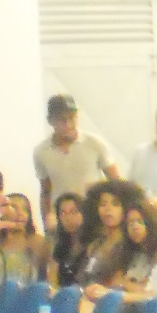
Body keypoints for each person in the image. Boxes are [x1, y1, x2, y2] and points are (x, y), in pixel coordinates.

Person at [33, 94, 117, 229]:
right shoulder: (41, 152)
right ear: (50, 121)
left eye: (72, 118)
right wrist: (47, 223)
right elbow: (46, 191)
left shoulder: (94, 143)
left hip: (93, 216)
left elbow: (115, 181)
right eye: (62, 120)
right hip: (63, 220)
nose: (68, 124)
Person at [0, 191, 49, 296]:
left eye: (25, 209)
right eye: (14, 208)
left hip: (27, 299)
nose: (21, 214)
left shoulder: (38, 242)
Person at [113, 197, 157, 293]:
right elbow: (115, 280)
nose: (135, 227)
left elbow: (147, 290)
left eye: (140, 222)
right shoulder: (127, 252)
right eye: (130, 223)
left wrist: (125, 284)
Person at [49, 192, 92, 288]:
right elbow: (52, 279)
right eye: (63, 213)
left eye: (74, 212)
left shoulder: (93, 244)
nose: (68, 218)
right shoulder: (60, 246)